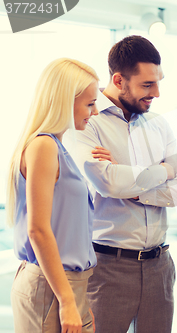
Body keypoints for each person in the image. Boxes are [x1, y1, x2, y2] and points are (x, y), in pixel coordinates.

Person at [71, 35, 177, 333]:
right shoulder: (87, 121)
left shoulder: (159, 124)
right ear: (118, 79)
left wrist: (138, 190)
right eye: (147, 85)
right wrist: (165, 170)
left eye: (158, 82)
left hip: (160, 267)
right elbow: (110, 184)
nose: (157, 93)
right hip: (108, 268)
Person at [6, 58, 100, 333]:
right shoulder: (44, 146)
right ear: (64, 101)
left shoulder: (56, 146)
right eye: (89, 103)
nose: (94, 112)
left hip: (64, 285)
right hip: (53, 287)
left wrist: (76, 299)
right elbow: (37, 230)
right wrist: (67, 300)